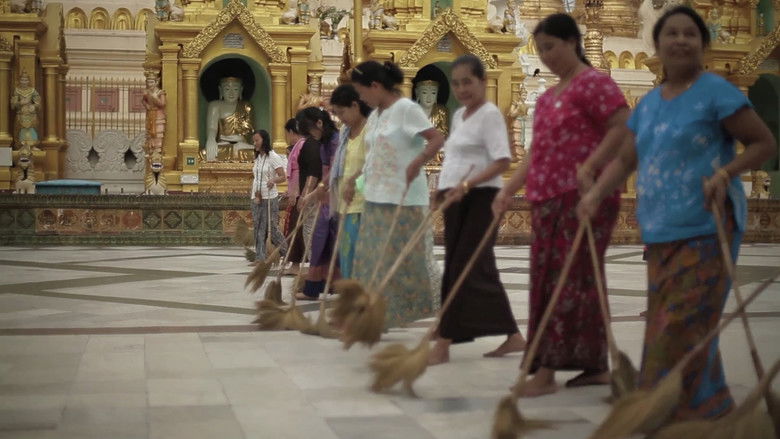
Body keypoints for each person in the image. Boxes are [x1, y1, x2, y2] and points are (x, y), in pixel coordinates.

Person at [577, 6, 776, 420]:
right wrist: (594, 193)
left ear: (703, 44)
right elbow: (625, 160)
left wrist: (726, 172)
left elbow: (763, 144)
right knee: (668, 324)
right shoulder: (648, 105)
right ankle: (706, 408)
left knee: (683, 323)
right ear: (658, 45)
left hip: (707, 225)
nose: (681, 40)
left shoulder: (716, 92)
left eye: (690, 34)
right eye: (672, 33)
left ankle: (681, 410)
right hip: (660, 229)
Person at [492, 13, 630, 396]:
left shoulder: (594, 83)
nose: (546, 56)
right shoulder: (548, 97)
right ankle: (593, 365)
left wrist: (591, 165)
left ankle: (547, 372)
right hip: (547, 199)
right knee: (550, 279)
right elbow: (536, 152)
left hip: (585, 195)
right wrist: (509, 189)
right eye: (540, 50)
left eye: (551, 46)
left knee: (571, 279)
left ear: (572, 42)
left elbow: (623, 125)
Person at [428, 54, 526, 365]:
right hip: (456, 198)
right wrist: (442, 191)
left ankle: (444, 341)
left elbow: (503, 161)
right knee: (473, 266)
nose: (461, 89)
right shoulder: (459, 116)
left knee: (463, 266)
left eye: (467, 82)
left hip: (481, 198)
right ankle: (512, 335)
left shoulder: (490, 115)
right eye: (456, 84)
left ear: (483, 81)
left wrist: (467, 185)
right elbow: (456, 160)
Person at [349, 60, 445, 328]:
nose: (361, 98)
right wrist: (354, 181)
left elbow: (437, 138)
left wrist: (418, 161)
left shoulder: (406, 109)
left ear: (375, 86)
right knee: (372, 257)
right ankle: (377, 312)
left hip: (405, 198)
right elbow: (373, 155)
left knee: (412, 260)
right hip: (376, 196)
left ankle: (445, 305)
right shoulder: (376, 116)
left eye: (362, 92)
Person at [295, 107, 340, 299]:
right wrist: (313, 195)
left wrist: (314, 193)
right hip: (327, 199)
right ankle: (315, 287)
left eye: (311, 130)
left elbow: (334, 172)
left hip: (340, 198)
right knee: (319, 239)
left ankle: (335, 285)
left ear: (320, 123)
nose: (311, 136)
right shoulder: (322, 145)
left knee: (334, 244)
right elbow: (325, 173)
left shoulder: (336, 141)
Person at [329, 84, 371, 279]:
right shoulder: (345, 132)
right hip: (345, 204)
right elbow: (339, 166)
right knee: (346, 255)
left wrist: (355, 182)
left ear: (355, 105)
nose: (340, 118)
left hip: (364, 204)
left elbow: (375, 163)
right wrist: (323, 187)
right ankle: (350, 294)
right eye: (336, 114)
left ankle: (361, 294)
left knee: (360, 256)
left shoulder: (370, 130)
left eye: (342, 112)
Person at [250, 129, 288, 261]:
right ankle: (260, 257)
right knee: (258, 226)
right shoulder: (258, 157)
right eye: (253, 141)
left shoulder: (273, 157)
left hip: (270, 197)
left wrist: (273, 180)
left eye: (257, 140)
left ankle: (286, 251)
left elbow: (283, 176)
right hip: (256, 196)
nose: (255, 143)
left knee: (271, 227)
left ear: (264, 140)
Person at [204, 77, 254, 161]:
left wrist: (239, 139)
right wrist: (211, 140)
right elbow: (212, 128)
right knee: (204, 154)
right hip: (223, 144)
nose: (231, 93)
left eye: (235, 89)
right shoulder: (215, 106)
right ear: (220, 90)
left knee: (256, 154)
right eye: (227, 89)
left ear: (241, 90)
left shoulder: (246, 106)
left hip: (242, 146)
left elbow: (250, 131)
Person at [283, 118, 306, 276]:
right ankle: (294, 262)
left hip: (299, 194)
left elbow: (301, 172)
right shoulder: (297, 146)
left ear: (291, 132)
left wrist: (295, 192)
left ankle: (296, 264)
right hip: (295, 192)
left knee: (296, 229)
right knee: (292, 227)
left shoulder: (302, 145)